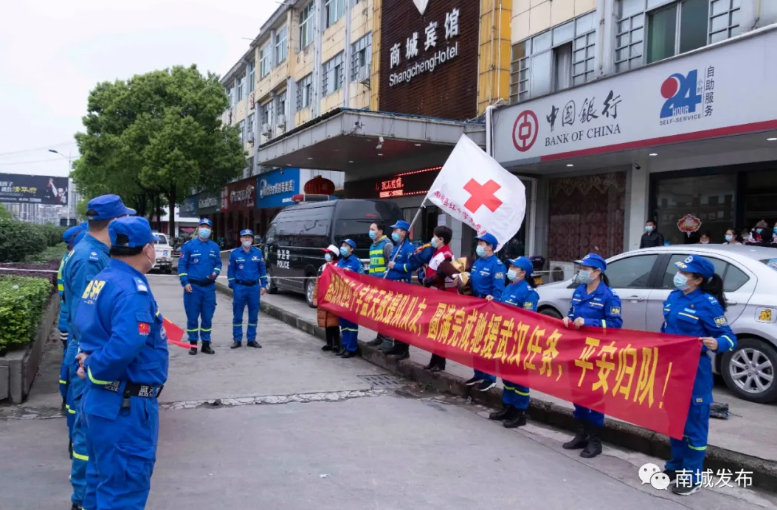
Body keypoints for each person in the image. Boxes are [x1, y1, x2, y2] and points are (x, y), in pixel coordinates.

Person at [74, 216, 168, 510]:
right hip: (124, 406)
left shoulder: (101, 279)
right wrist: (92, 368)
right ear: (149, 249)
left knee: (99, 482)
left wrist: (89, 363)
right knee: (123, 491)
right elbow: (124, 345)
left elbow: (83, 327)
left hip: (100, 402)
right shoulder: (131, 289)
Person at [61, 194, 135, 510]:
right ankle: (82, 499)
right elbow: (90, 319)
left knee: (95, 432)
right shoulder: (89, 259)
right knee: (87, 434)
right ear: (115, 222)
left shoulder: (96, 253)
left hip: (92, 352)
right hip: (88, 354)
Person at [661, 254, 736, 495]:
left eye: (684, 273)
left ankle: (693, 475)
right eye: (680, 272)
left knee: (694, 425)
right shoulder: (673, 297)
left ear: (698, 279)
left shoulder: (708, 304)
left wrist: (717, 343)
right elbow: (666, 330)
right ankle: (675, 465)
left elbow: (729, 337)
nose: (679, 276)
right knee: (674, 423)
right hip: (672, 371)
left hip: (695, 374)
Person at [561, 253, 623, 459]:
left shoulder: (609, 296)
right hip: (576, 349)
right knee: (577, 392)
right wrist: (567, 319)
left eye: (586, 269)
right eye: (581, 268)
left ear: (598, 272)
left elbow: (615, 325)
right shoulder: (579, 291)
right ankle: (581, 434)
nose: (581, 272)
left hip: (596, 352)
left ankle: (595, 440)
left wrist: (588, 323)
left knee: (594, 394)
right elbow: (572, 313)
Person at [489, 256, 538, 428]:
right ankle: (507, 407)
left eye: (514, 267)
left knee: (519, 379)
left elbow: (528, 319)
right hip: (505, 338)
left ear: (523, 272)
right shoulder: (509, 287)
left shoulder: (529, 292)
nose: (510, 269)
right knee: (507, 376)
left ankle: (520, 412)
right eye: (510, 265)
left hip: (519, 341)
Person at [404, 225, 457, 371]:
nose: (432, 239)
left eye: (434, 237)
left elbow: (442, 273)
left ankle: (440, 363)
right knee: (435, 329)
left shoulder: (446, 254)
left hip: (444, 296)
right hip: (435, 295)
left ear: (441, 239)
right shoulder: (437, 252)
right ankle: (434, 360)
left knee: (441, 330)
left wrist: (430, 280)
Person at [463, 233, 506, 392]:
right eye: (479, 243)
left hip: (488, 307)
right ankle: (478, 373)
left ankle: (490, 378)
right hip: (475, 305)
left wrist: (493, 300)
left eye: (482, 243)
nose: (479, 246)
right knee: (475, 341)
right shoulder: (477, 262)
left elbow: (498, 290)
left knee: (487, 343)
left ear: (490, 247)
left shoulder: (497, 265)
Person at [178, 218, 222, 355]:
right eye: (202, 227)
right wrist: (185, 283)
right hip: (193, 288)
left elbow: (218, 264)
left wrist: (216, 272)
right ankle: (193, 344)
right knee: (192, 317)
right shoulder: (189, 246)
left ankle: (206, 344)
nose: (205, 230)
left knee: (207, 317)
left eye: (207, 227)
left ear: (211, 230)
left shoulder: (214, 247)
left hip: (209, 288)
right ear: (198, 229)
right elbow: (182, 265)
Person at [57, 224, 86, 411]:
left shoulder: (69, 258)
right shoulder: (81, 261)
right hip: (70, 322)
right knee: (72, 365)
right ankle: (69, 402)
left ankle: (67, 401)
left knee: (69, 364)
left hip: (67, 319)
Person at [227, 229, 267, 349]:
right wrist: (234, 286)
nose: (247, 239)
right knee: (237, 314)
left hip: (254, 288)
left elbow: (262, 270)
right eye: (244, 237)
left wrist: (264, 285)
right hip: (240, 287)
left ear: (252, 239)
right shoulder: (234, 253)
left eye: (249, 237)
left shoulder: (258, 253)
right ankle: (237, 339)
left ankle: (251, 339)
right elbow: (230, 272)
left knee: (253, 314)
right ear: (240, 239)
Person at [383, 219, 416, 359]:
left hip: (402, 286)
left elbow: (410, 267)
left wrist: (394, 266)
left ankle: (404, 349)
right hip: (392, 287)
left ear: (404, 232)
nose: (394, 233)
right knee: (394, 318)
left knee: (403, 319)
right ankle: (396, 346)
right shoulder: (396, 247)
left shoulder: (409, 248)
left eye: (396, 230)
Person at [365, 222, 393, 347]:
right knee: (378, 312)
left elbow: (391, 264)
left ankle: (387, 340)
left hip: (385, 285)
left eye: (373, 229)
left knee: (385, 312)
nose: (370, 231)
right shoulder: (373, 246)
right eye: (370, 229)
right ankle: (380, 337)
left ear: (380, 231)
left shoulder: (387, 245)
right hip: (375, 284)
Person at [336, 239, 363, 358]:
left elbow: (362, 278)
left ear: (351, 249)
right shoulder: (340, 262)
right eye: (342, 245)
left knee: (351, 324)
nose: (343, 247)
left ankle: (352, 348)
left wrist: (350, 273)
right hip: (342, 296)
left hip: (353, 297)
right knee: (343, 323)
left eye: (346, 246)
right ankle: (345, 345)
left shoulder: (356, 262)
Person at [313, 244, 341, 353]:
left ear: (333, 255)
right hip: (323, 298)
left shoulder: (338, 266)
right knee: (326, 323)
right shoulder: (322, 267)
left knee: (334, 323)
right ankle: (329, 343)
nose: (326, 255)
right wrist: (315, 298)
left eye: (328, 253)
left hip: (333, 299)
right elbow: (317, 283)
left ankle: (337, 344)